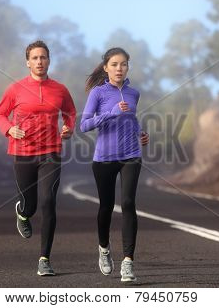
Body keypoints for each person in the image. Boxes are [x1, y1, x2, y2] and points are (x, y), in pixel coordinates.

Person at [0, 40, 76, 276]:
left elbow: (70, 112)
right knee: (30, 204)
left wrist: (68, 129)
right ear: (28, 62)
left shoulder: (60, 89)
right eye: (35, 58)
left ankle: (44, 259)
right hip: (23, 152)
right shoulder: (16, 89)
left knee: (48, 200)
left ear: (49, 60)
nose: (40, 61)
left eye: (44, 57)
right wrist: (9, 129)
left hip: (51, 152)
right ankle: (22, 213)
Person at [80, 47, 149, 282]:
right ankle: (104, 249)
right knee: (106, 207)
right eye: (115, 64)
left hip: (131, 155)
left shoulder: (134, 93)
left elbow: (132, 118)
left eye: (124, 64)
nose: (120, 68)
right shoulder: (98, 94)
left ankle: (128, 262)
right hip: (104, 158)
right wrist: (109, 112)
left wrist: (140, 133)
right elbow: (85, 125)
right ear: (106, 67)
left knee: (128, 203)